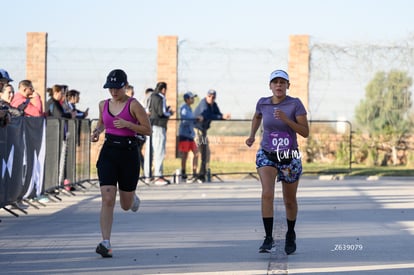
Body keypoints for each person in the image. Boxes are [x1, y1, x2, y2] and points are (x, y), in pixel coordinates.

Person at [245, 69, 309, 255]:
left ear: (288, 85)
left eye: (282, 82)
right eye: (275, 82)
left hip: (289, 157)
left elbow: (305, 132)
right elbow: (257, 116)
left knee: (289, 201)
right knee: (267, 193)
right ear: (270, 86)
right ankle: (268, 238)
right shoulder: (263, 103)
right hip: (267, 154)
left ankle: (290, 234)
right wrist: (251, 135)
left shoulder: (295, 104)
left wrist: (287, 120)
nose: (279, 85)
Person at [91, 69, 151, 258]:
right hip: (109, 152)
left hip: (128, 153)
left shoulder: (134, 105)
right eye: (110, 88)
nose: (114, 92)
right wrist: (96, 131)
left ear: (125, 86)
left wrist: (128, 124)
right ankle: (105, 242)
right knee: (108, 198)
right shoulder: (103, 104)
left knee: (125, 204)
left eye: (117, 88)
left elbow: (147, 129)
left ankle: (132, 198)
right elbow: (102, 123)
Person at [193, 89, 230, 182]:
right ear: (206, 96)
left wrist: (223, 116)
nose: (211, 98)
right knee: (196, 152)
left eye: (213, 97)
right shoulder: (203, 103)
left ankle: (202, 174)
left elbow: (218, 114)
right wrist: (221, 117)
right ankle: (194, 174)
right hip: (197, 130)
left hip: (204, 130)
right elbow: (207, 115)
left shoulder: (213, 105)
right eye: (209, 96)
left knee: (206, 153)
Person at [147, 82, 174, 185]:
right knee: (159, 152)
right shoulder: (161, 97)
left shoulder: (150, 96)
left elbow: (149, 110)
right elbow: (162, 112)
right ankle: (158, 176)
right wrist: (170, 113)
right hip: (159, 126)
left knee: (150, 152)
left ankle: (148, 176)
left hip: (151, 126)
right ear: (163, 89)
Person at [178, 91, 202, 182]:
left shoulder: (190, 108)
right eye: (191, 98)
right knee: (185, 154)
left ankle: (194, 173)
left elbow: (191, 120)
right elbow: (186, 119)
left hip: (191, 134)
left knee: (196, 153)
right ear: (187, 99)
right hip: (184, 134)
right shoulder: (183, 108)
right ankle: (183, 173)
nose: (193, 100)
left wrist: (196, 120)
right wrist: (195, 118)